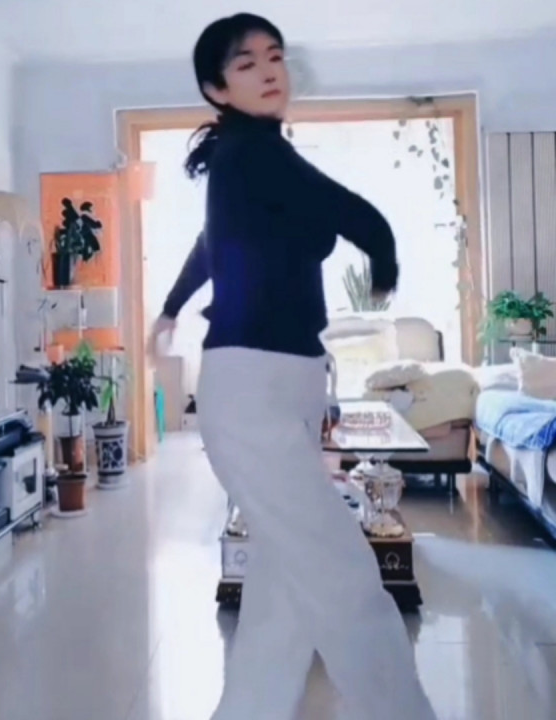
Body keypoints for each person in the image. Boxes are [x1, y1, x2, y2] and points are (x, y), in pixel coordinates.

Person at [147, 14, 438, 720]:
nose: (269, 69)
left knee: (283, 594)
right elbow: (350, 212)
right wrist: (384, 251)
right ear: (217, 88)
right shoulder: (253, 154)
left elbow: (213, 245)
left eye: (274, 56)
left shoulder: (248, 161)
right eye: (246, 63)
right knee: (342, 574)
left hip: (285, 382)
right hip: (254, 387)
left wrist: (171, 308)